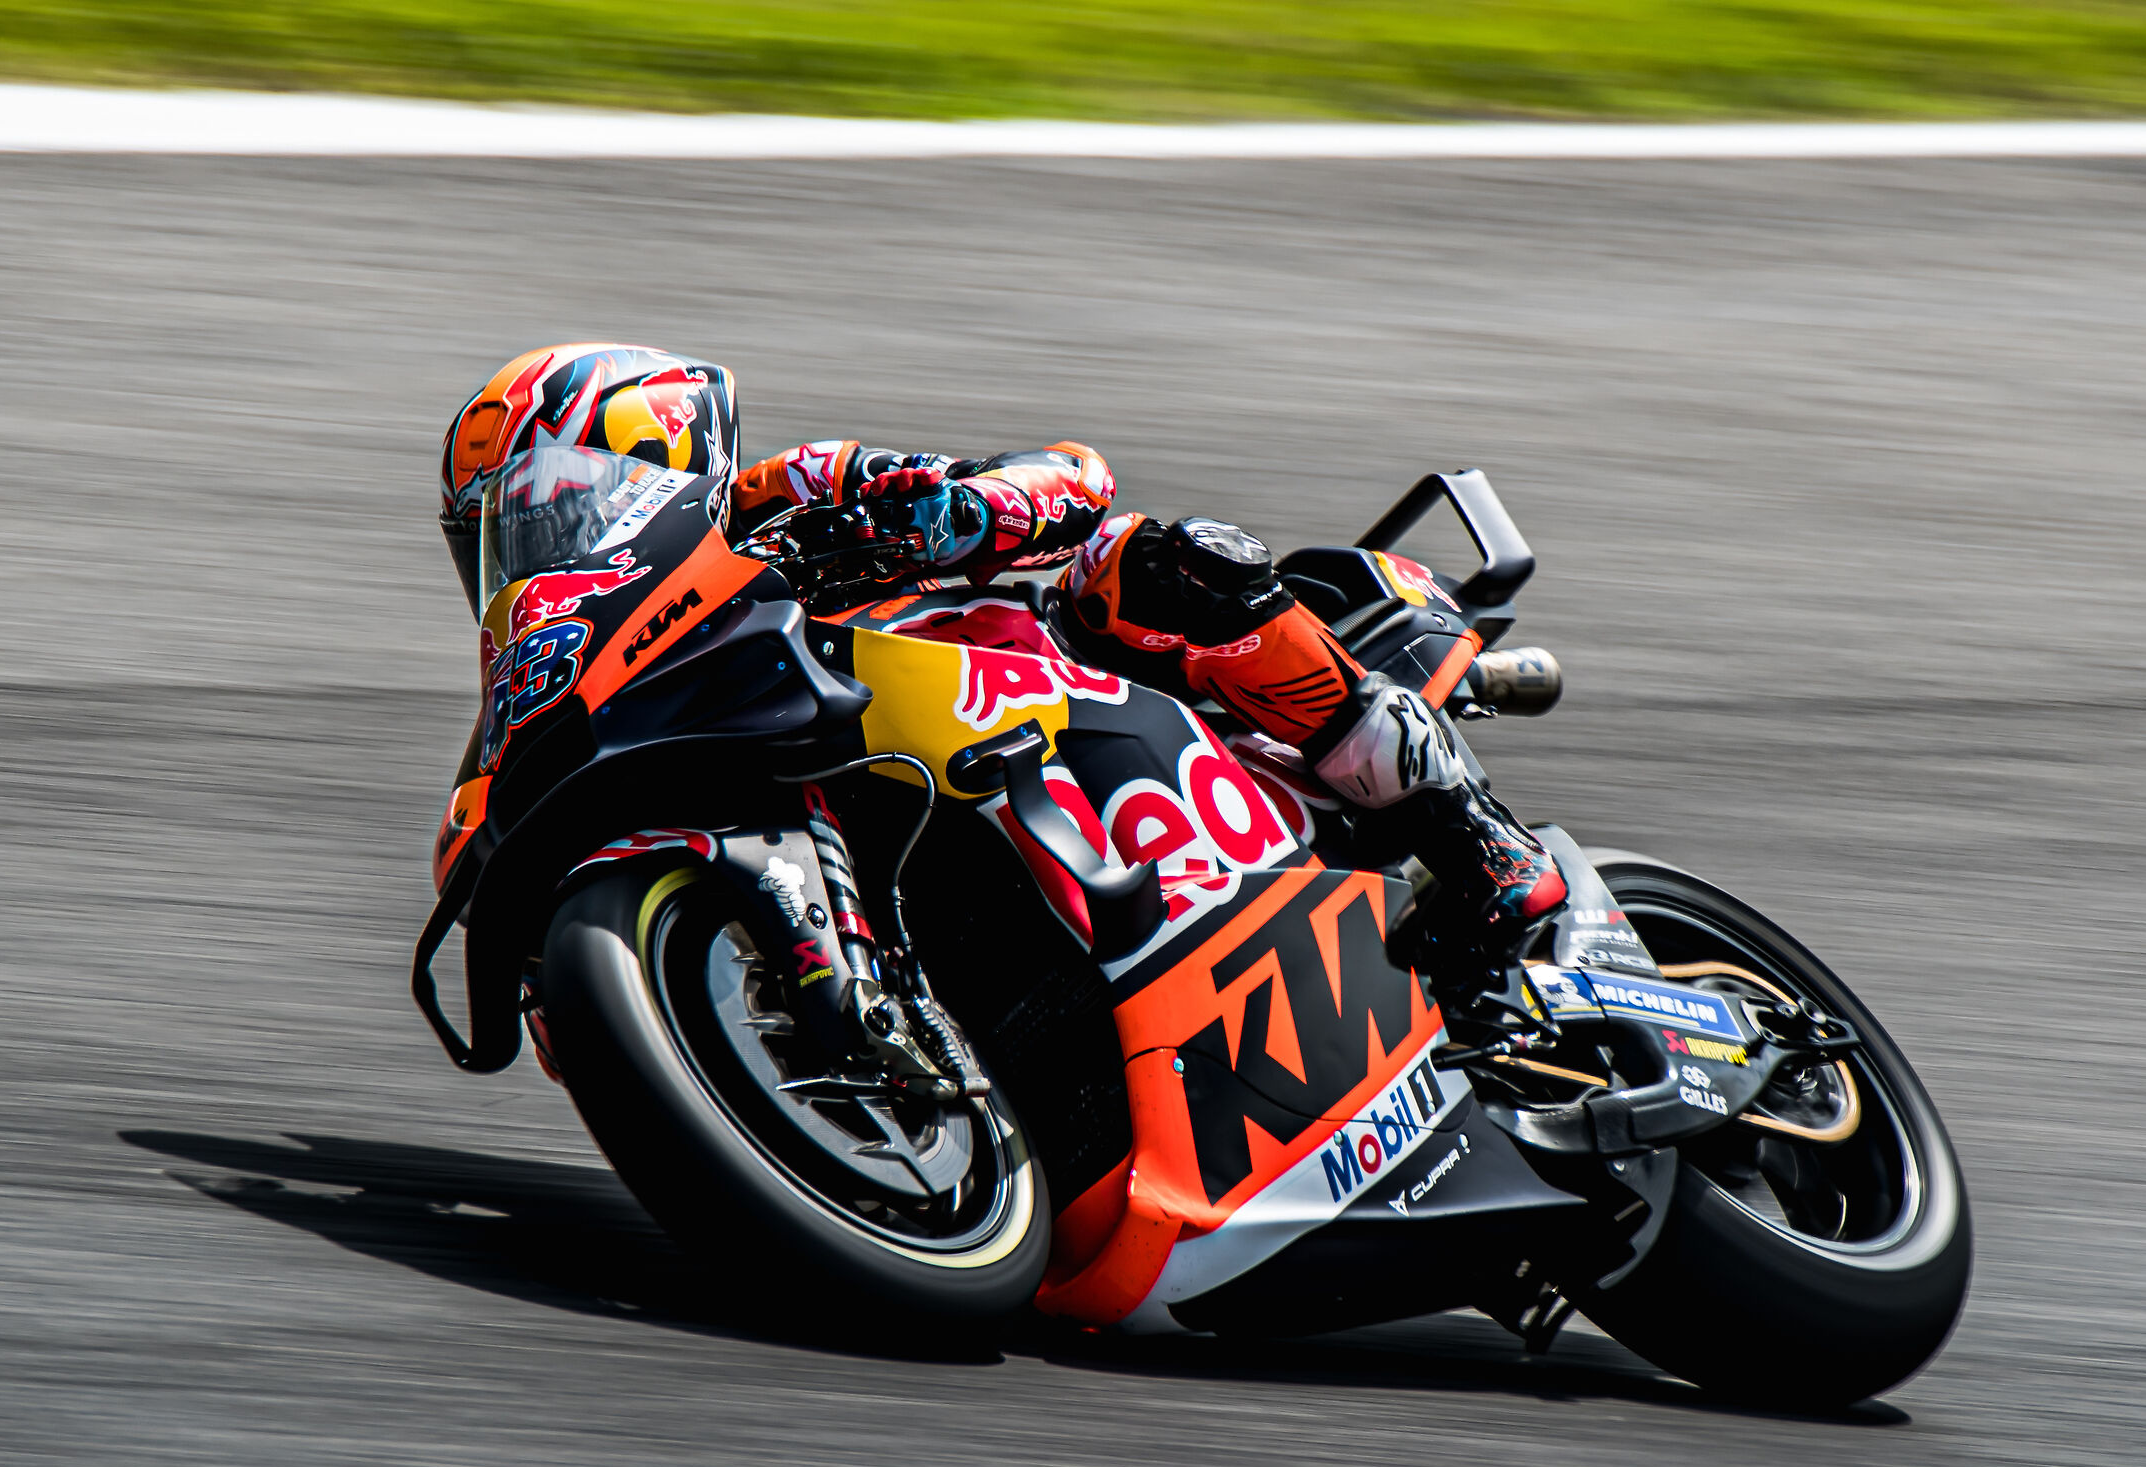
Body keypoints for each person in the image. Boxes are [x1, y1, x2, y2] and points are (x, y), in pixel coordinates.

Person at [440, 343, 1564, 1029]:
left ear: (666, 447)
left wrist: (963, 509)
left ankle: (1475, 841)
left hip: (1038, 681)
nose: (549, 543)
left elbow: (1073, 476)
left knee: (1146, 562)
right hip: (890, 782)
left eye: (563, 501)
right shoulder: (588, 660)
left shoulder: (790, 489)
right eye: (510, 532)